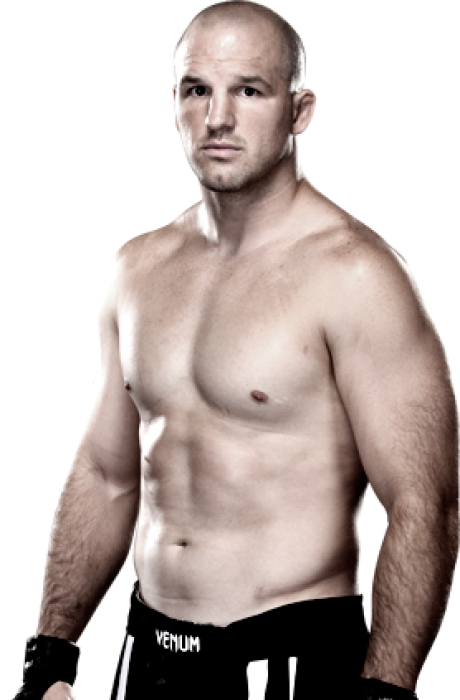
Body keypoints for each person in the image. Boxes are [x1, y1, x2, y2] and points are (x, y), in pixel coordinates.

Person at [15, 1, 458, 699]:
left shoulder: (356, 277)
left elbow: (422, 504)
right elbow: (105, 473)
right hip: (144, 655)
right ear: (174, 103)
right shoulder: (138, 268)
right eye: (198, 90)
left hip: (285, 660)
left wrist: (386, 692)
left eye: (249, 91)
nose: (218, 118)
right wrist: (52, 651)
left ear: (300, 110)